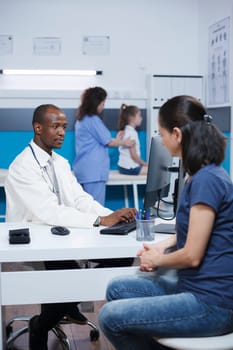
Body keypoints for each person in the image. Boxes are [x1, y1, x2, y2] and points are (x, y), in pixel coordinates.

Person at [98, 95, 233, 350]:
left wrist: (156, 260)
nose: (161, 140)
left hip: (212, 303)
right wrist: (162, 246)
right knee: (117, 288)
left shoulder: (206, 180)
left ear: (177, 134)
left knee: (109, 317)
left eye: (161, 134)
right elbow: (197, 231)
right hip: (195, 287)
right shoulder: (203, 174)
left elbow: (192, 256)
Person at [5, 104, 136, 350]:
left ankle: (65, 305)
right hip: (37, 241)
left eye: (64, 127)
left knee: (121, 255)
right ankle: (42, 324)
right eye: (55, 126)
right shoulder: (22, 167)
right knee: (68, 273)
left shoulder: (61, 163)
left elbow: (80, 199)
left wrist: (112, 215)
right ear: (37, 128)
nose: (62, 132)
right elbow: (49, 211)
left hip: (65, 235)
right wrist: (99, 221)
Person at [72, 86, 134, 205]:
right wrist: (124, 142)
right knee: (96, 209)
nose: (103, 106)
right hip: (93, 172)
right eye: (103, 103)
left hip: (84, 170)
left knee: (85, 207)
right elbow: (108, 142)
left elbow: (97, 141)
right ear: (96, 103)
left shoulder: (81, 118)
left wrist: (117, 139)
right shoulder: (93, 119)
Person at [117, 103, 148, 175]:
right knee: (154, 170)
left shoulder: (124, 131)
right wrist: (144, 164)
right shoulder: (132, 133)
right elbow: (133, 155)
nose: (141, 118)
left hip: (122, 167)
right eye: (139, 116)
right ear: (131, 118)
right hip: (130, 168)